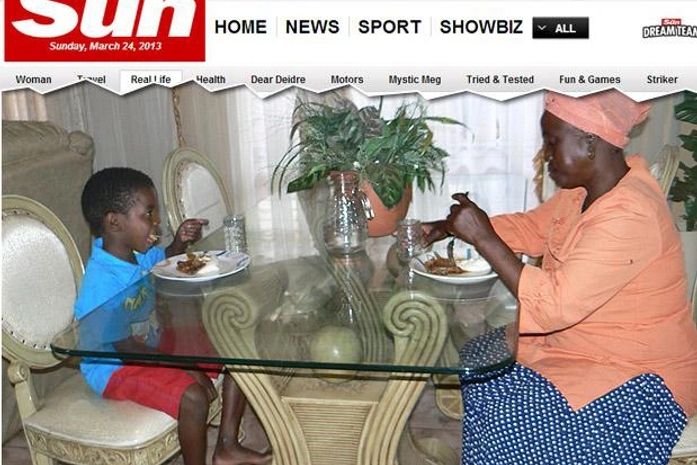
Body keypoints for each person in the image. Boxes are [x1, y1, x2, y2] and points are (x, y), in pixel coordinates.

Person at [424, 90, 697, 465]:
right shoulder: (584, 193)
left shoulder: (631, 213)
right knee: (477, 358)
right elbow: (531, 228)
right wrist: (450, 227)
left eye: (552, 142)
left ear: (590, 142)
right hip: (575, 349)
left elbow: (554, 307)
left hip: (637, 374)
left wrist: (483, 238)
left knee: (507, 423)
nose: (545, 155)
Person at [75, 167, 271, 465]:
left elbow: (166, 259)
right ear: (114, 222)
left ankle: (227, 446)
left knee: (238, 346)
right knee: (194, 397)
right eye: (148, 214)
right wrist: (186, 366)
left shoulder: (137, 254)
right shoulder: (101, 283)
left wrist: (179, 242)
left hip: (151, 344)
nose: (155, 222)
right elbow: (124, 348)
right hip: (114, 366)